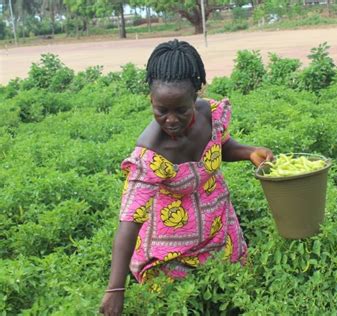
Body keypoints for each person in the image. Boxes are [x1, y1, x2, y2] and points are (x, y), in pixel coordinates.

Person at [99, 39, 273, 315]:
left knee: (233, 298)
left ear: (196, 97)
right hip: (173, 248)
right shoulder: (150, 155)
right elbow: (129, 223)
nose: (170, 120)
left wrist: (249, 152)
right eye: (161, 111)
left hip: (220, 228)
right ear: (151, 101)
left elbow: (221, 147)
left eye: (181, 109)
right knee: (183, 305)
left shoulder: (209, 115)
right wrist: (115, 289)